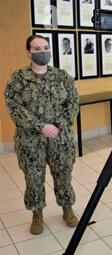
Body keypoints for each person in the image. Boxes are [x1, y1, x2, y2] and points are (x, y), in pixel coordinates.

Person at [4, 35, 80, 235]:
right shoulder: (18, 78)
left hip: (60, 139)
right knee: (33, 178)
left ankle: (67, 208)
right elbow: (14, 107)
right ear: (29, 52)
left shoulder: (62, 77)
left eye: (45, 47)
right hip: (30, 141)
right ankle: (37, 214)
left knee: (63, 175)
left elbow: (73, 104)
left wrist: (57, 125)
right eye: (37, 48)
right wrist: (40, 126)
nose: (42, 51)